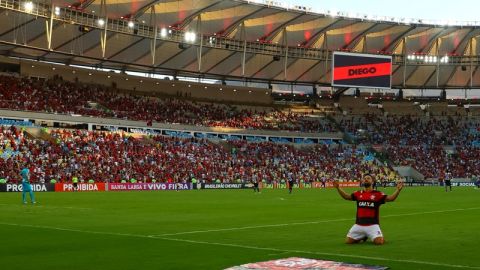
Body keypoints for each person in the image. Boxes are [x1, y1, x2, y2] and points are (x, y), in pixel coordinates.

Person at [333, 174, 403, 245]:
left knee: (379, 242)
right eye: (365, 178)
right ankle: (363, 236)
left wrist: (398, 190)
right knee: (348, 241)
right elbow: (347, 197)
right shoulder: (358, 193)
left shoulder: (377, 194)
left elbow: (390, 198)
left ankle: (368, 235)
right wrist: (338, 188)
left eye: (368, 178)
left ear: (372, 181)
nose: (366, 179)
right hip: (359, 224)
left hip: (372, 225)